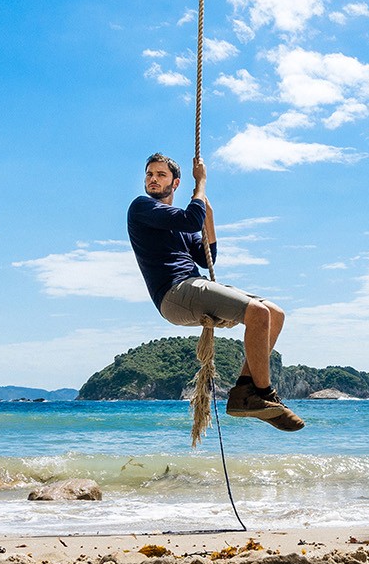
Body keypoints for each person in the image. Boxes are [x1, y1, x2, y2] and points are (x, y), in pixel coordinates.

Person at [128, 152, 304, 431]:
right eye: (149, 174)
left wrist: (209, 215)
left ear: (175, 184)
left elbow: (207, 254)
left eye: (161, 175)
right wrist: (202, 183)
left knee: (274, 314)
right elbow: (190, 219)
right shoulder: (142, 208)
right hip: (174, 293)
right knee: (256, 312)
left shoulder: (176, 220)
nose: (153, 179)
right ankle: (264, 395)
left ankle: (244, 392)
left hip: (193, 284)